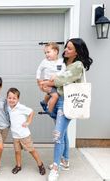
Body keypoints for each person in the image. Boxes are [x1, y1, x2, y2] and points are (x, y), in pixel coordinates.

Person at [40, 38, 93, 181]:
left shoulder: (77, 65)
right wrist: (49, 84)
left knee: (57, 135)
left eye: (69, 49)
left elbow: (60, 81)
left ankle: (56, 168)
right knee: (62, 134)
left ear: (77, 52)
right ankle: (65, 160)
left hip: (66, 103)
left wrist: (47, 82)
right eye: (66, 47)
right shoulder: (63, 62)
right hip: (57, 101)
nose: (65, 50)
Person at [6, 87, 46, 175]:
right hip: (15, 135)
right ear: (7, 98)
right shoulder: (8, 107)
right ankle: (18, 166)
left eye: (14, 98)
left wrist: (28, 121)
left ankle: (40, 165)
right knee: (17, 151)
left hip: (24, 135)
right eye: (9, 98)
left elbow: (31, 112)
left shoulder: (20, 107)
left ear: (18, 99)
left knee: (31, 150)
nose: (11, 100)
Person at [36, 42, 66, 113]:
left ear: (56, 51)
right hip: (47, 82)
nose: (46, 54)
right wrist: (38, 79)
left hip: (56, 82)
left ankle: (44, 102)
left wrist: (57, 75)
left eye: (48, 52)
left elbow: (64, 69)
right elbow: (39, 69)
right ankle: (50, 111)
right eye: (45, 53)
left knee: (51, 94)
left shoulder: (61, 61)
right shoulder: (45, 61)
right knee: (55, 96)